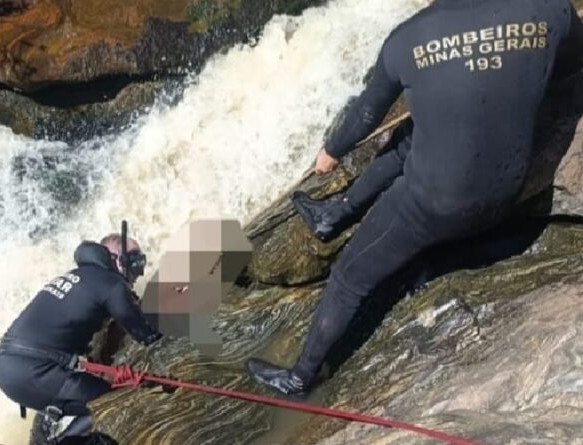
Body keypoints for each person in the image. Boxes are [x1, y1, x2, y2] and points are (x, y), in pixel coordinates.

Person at [246, 0, 583, 396]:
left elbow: (366, 115)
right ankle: (335, 215)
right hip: (508, 188)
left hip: (437, 207)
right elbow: (569, 67)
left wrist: (332, 151)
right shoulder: (550, 11)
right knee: (409, 139)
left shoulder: (406, 40)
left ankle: (300, 377)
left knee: (348, 278)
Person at [0, 230, 162, 442]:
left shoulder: (76, 277)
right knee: (116, 403)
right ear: (117, 259)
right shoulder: (110, 284)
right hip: (37, 372)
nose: (139, 272)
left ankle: (44, 434)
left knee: (79, 393)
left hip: (7, 368)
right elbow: (146, 335)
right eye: (135, 261)